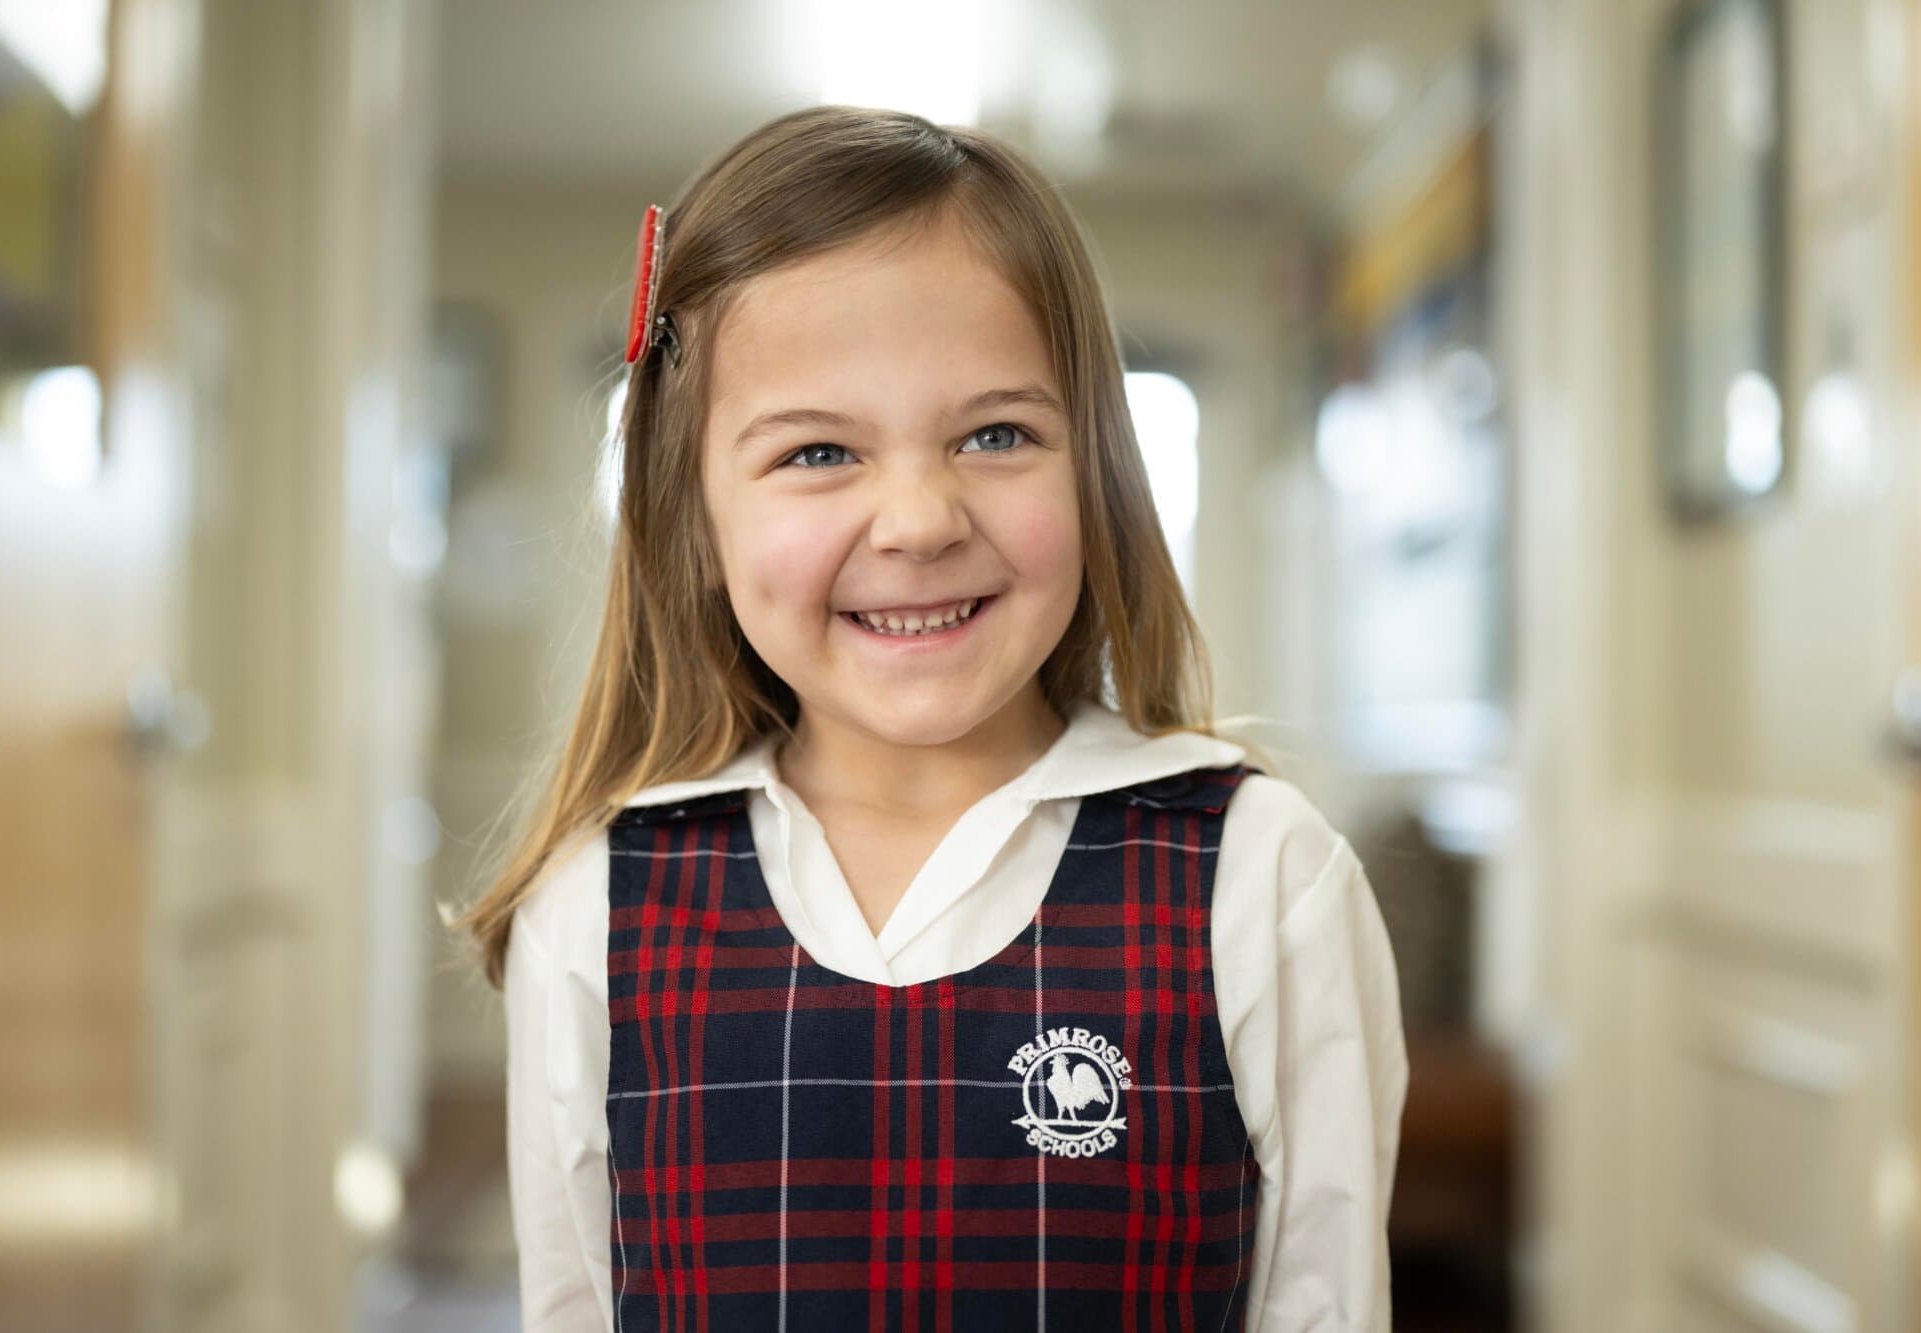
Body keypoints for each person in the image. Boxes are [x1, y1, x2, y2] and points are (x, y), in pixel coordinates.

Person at [450, 103, 1408, 1332]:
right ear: (693, 521)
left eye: (995, 433)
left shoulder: (1261, 879)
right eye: (816, 453)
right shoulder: (596, 905)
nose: (917, 519)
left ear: (1098, 473)